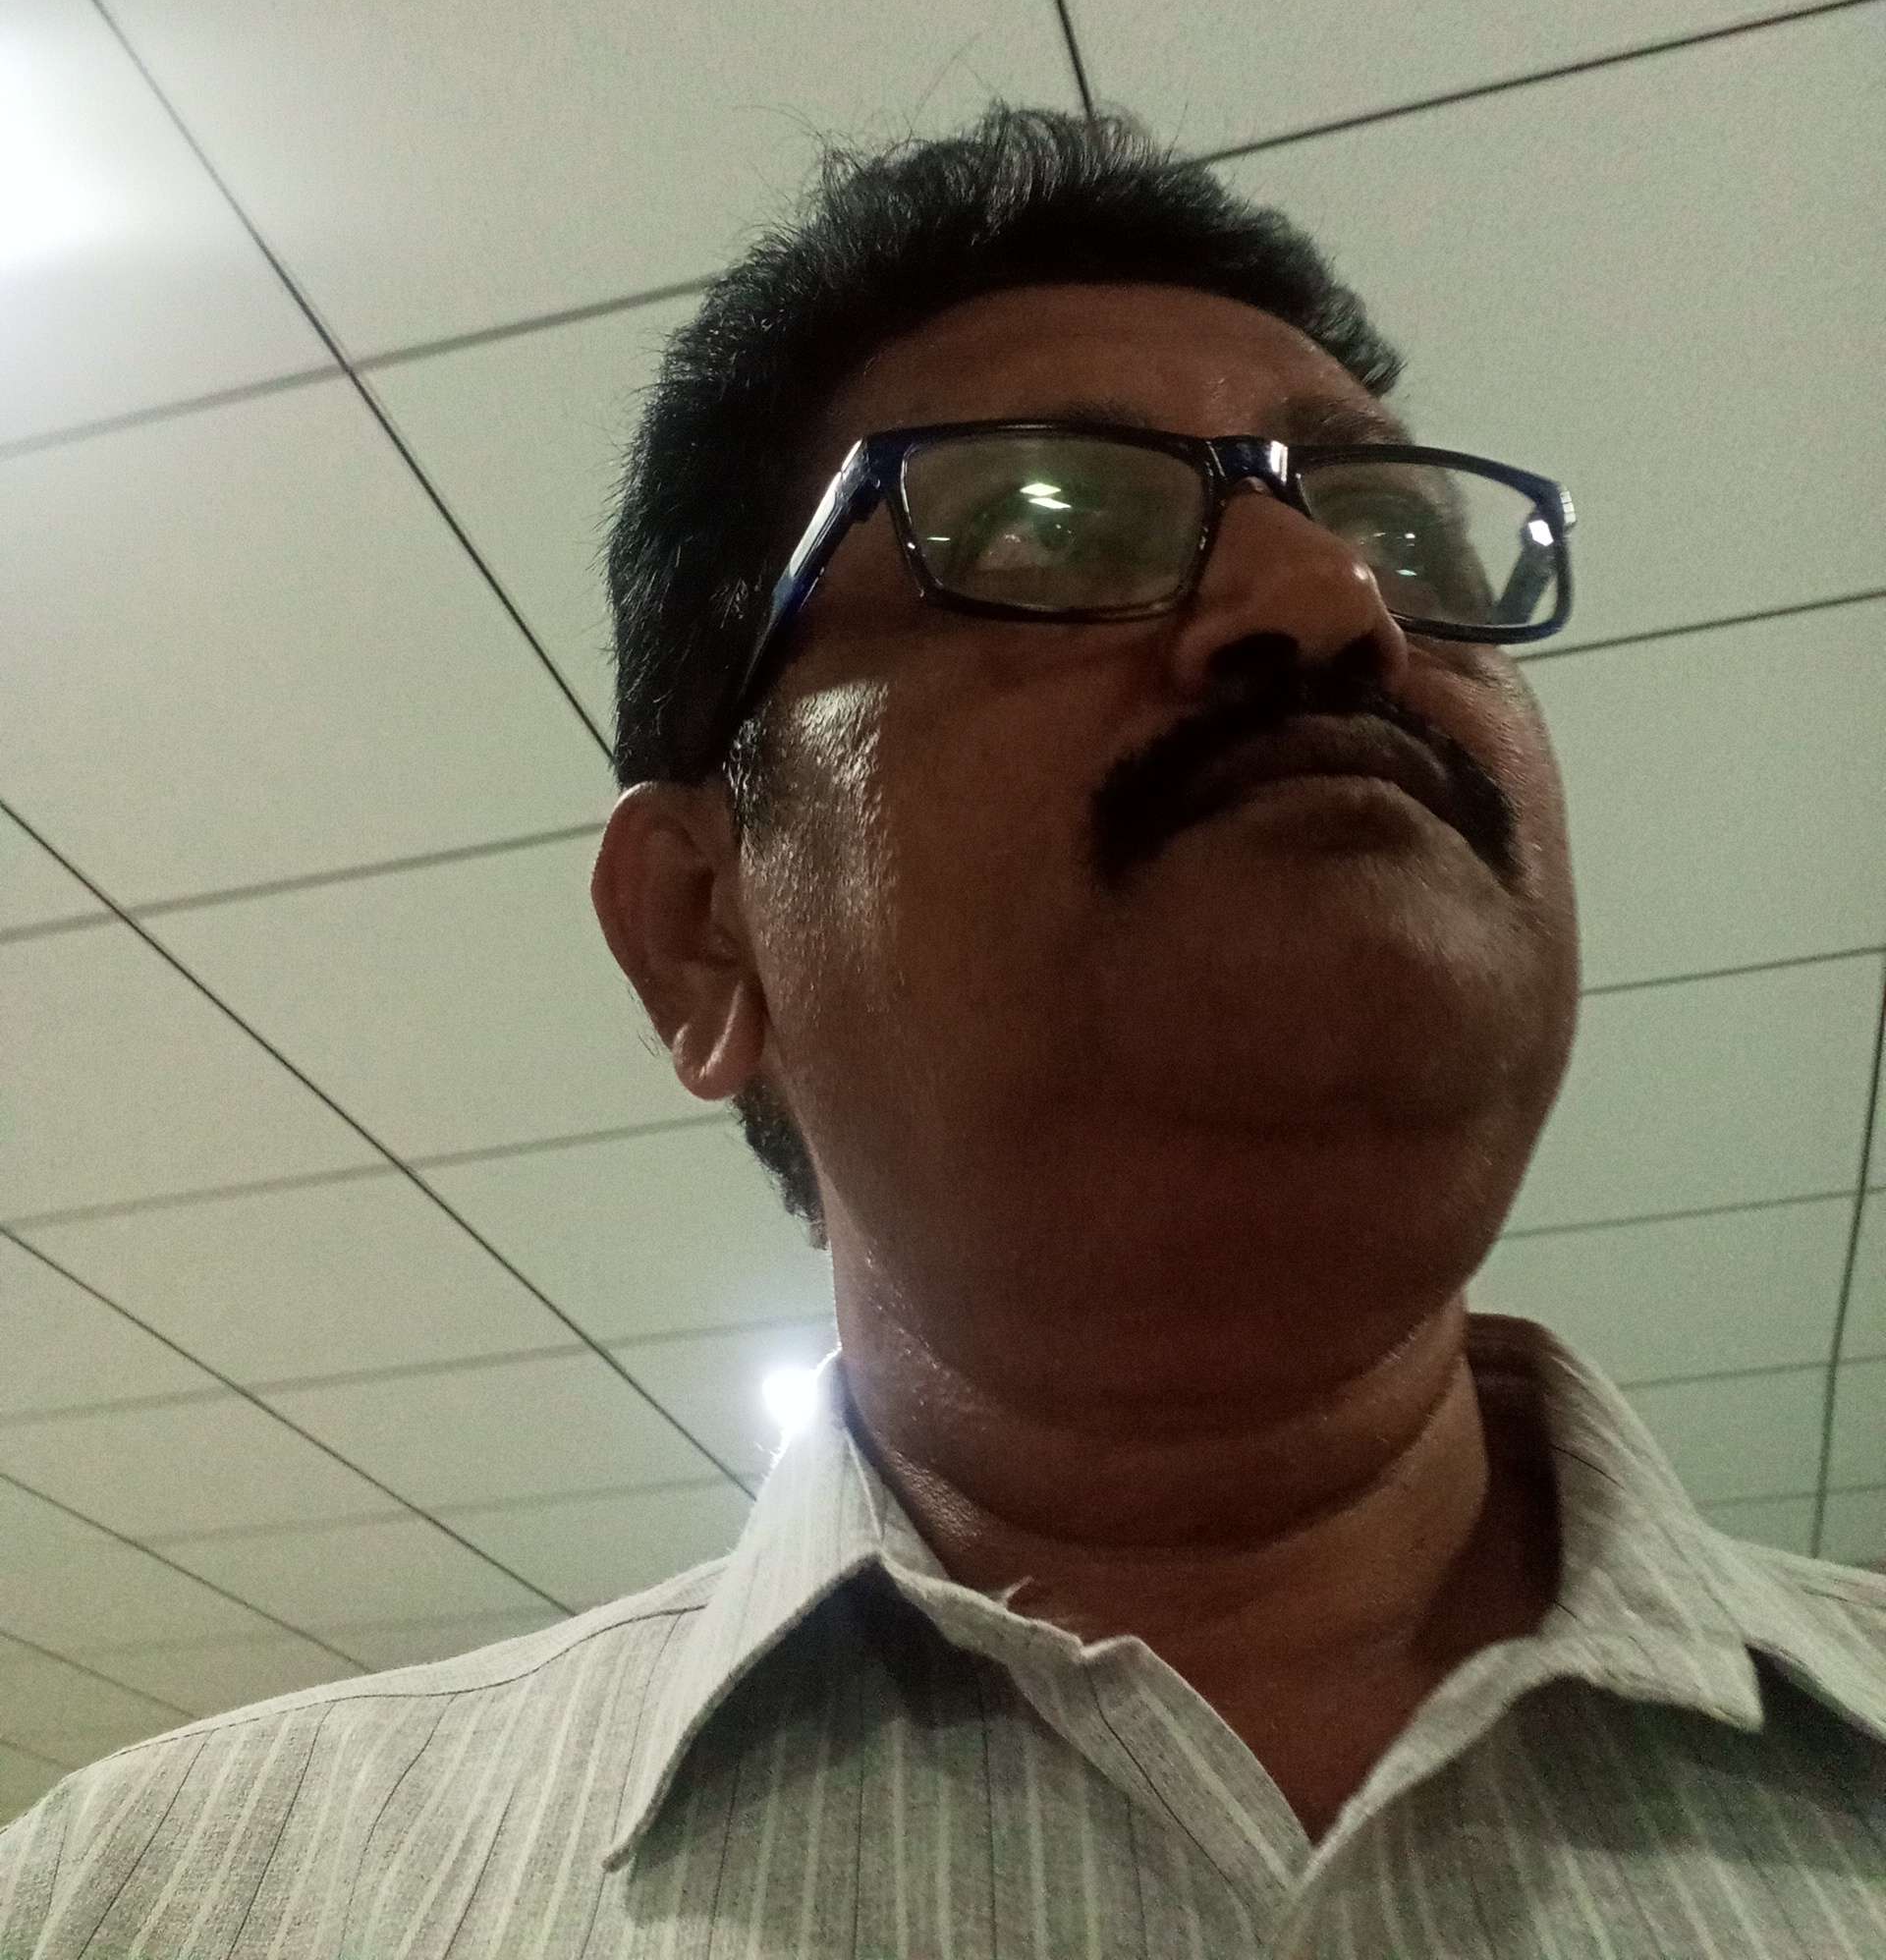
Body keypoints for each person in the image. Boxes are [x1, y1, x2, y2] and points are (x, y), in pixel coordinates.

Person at [4, 107, 1881, 1953]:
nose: (1329, 601)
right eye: (1049, 523)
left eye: (1400, 534)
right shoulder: (155, 1900)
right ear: (701, 928)